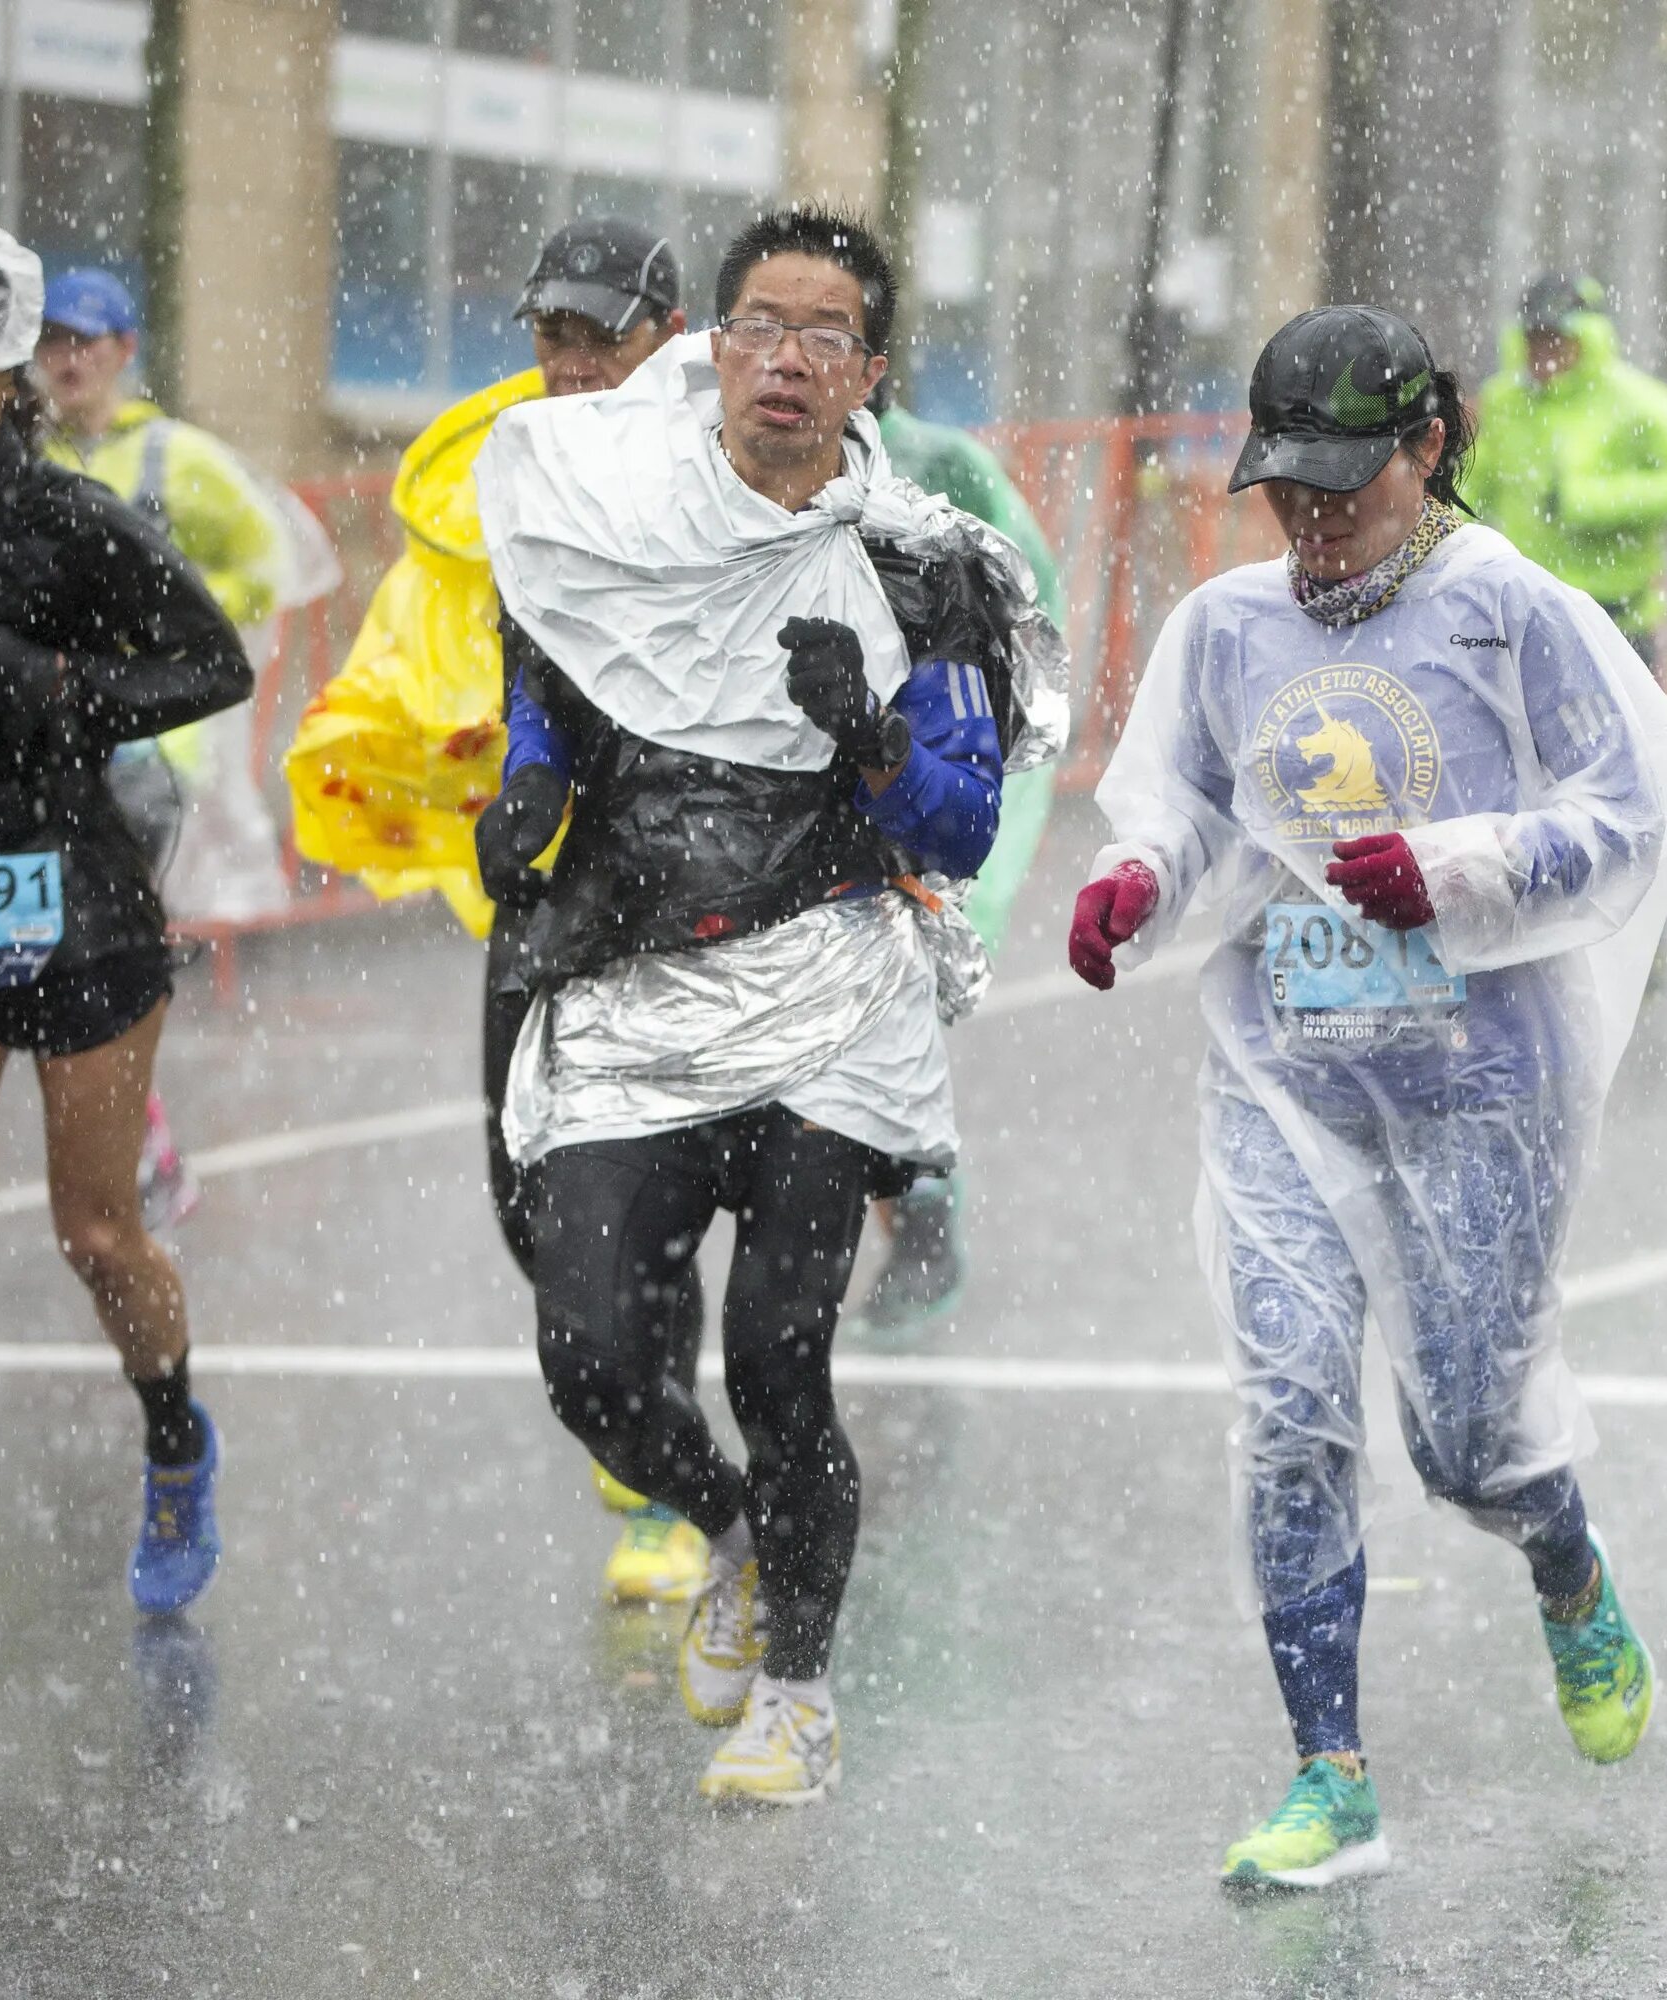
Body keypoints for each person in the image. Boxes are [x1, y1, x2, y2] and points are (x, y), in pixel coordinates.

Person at [1073, 304, 1667, 1886]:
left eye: (1349, 480)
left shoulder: (1512, 614)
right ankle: (1329, 1779)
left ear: (1428, 449)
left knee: (1467, 1442)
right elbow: (1193, 808)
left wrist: (1456, 870)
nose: (1315, 517)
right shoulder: (1226, 629)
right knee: (1286, 1416)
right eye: (1288, 485)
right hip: (1286, 1072)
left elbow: (1625, 815)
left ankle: (1562, 1563)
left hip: (1484, 1080)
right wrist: (1138, 878)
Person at [479, 204, 1058, 1805]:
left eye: (823, 338)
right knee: (588, 1355)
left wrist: (870, 736)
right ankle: (730, 1529)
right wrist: (528, 784)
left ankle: (798, 1686)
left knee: (776, 1354)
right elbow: (549, 666)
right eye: (759, 329)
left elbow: (956, 823)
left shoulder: (920, 568)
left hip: (826, 993)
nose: (785, 364)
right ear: (710, 349)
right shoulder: (614, 511)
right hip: (641, 985)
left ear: (867, 371)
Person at [284, 218, 709, 1606]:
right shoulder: (486, 486)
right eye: (554, 334)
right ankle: (638, 1420)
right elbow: (421, 652)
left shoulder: (736, 465)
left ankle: (674, 1480)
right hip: (547, 889)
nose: (577, 362)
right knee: (531, 1204)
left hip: (700, 891)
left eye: (605, 335)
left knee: (648, 1205)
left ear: (668, 331)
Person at [0, 224, 256, 1654]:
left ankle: (173, 1444)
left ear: (7, 371)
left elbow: (218, 660)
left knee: (95, 1232)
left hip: (78, 902)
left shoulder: (73, 519)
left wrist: (55, 687)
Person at [35, 267, 291, 1230]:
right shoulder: (19, 455)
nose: (69, 357)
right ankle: (143, 1143)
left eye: (87, 340)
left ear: (125, 351)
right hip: (43, 745)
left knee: (87, 956)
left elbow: (268, 557)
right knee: (61, 959)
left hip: (145, 759)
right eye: (54, 338)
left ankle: (141, 1144)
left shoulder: (175, 460)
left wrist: (173, 634)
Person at [844, 385, 1070, 1343]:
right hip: (841, 773)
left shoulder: (938, 465)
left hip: (947, 765)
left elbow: (1029, 598)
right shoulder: (754, 459)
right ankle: (912, 1206)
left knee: (897, 980)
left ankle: (923, 1208)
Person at [1459, 274, 1667, 667]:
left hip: (1615, 619)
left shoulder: (1642, 403)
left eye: (1557, 338)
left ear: (1590, 339)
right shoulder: (1503, 402)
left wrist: (1586, 501)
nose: (1542, 351)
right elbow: (1470, 490)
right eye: (1533, 337)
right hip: (1523, 617)